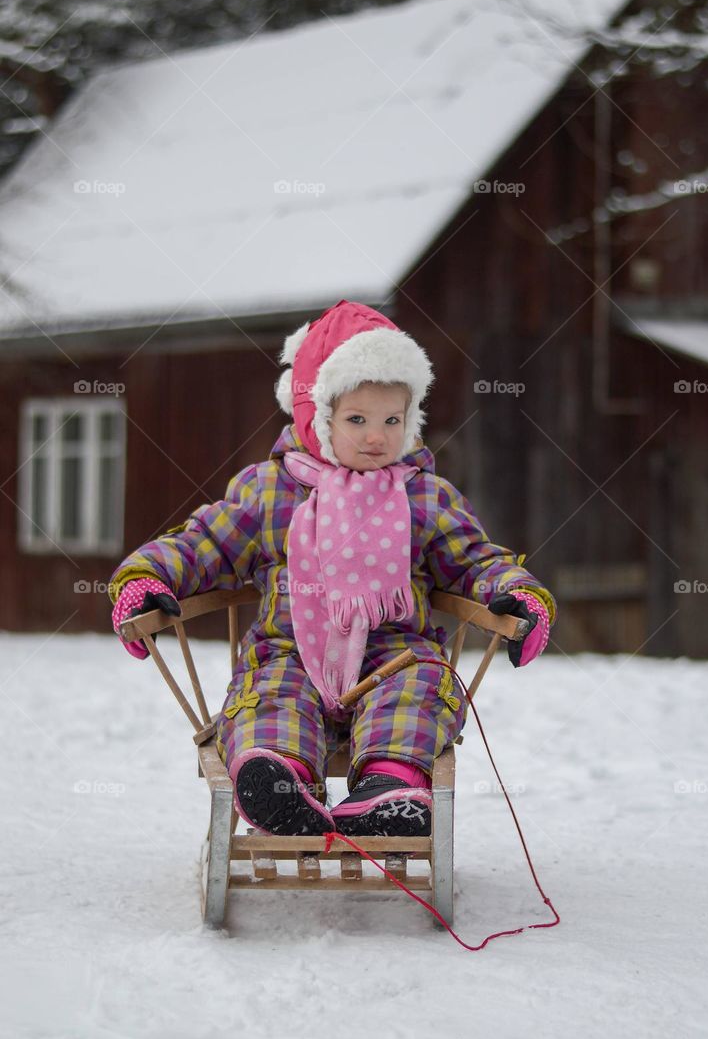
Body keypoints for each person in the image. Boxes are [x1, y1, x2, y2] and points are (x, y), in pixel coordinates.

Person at [109, 300, 556, 837]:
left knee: (421, 685)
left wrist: (518, 596)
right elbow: (202, 542)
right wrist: (145, 581)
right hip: (291, 647)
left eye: (393, 420)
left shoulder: (423, 497)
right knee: (271, 694)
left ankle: (388, 788)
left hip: (394, 652)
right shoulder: (270, 491)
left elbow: (476, 559)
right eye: (357, 420)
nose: (377, 437)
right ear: (316, 418)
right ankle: (279, 783)